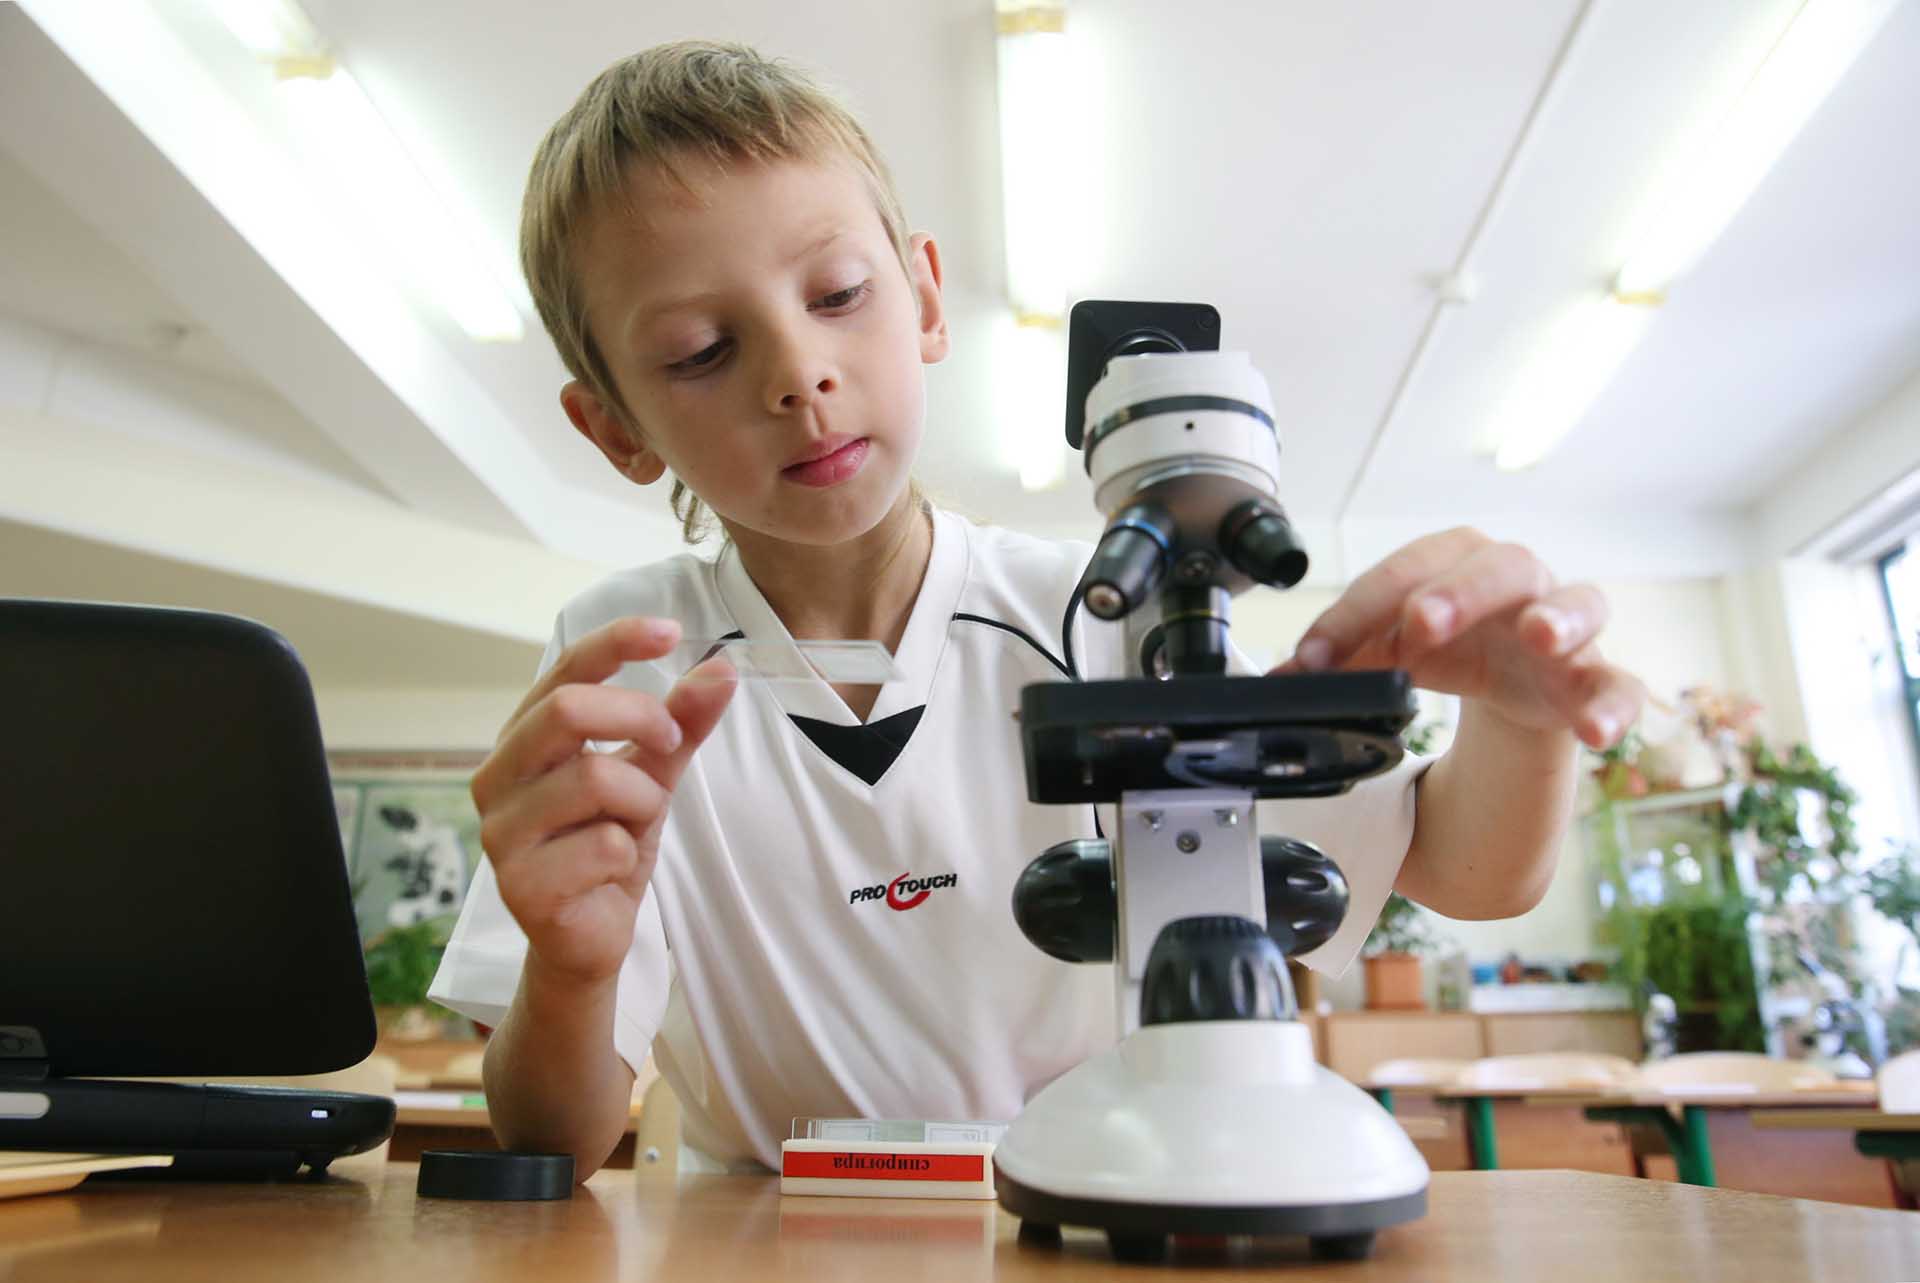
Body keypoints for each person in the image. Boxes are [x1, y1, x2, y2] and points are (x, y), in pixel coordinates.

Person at [427, 40, 1647, 1180]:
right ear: (614, 428)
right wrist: (575, 974)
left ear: (925, 297)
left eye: (840, 292)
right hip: (779, 1235)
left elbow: (1466, 866)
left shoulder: (1107, 602)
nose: (798, 374)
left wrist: (1522, 716)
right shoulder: (630, 670)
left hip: (1105, 1202)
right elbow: (556, 1134)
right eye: (700, 350)